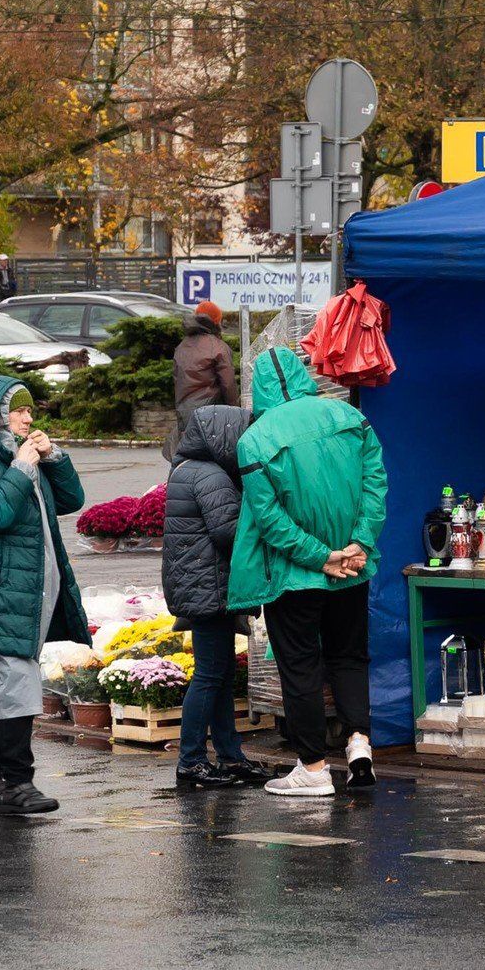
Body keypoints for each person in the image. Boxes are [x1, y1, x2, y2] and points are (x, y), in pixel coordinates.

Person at [228, 346, 387, 797]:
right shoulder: (350, 418)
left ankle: (314, 769)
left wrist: (320, 557)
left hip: (295, 576)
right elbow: (375, 484)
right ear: (304, 375)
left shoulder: (254, 441)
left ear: (257, 388)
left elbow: (269, 518)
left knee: (300, 668)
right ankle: (359, 743)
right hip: (354, 568)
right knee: (349, 656)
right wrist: (358, 543)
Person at [0, 376, 91, 815]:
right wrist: (23, 468)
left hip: (22, 592)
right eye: (19, 411)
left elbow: (71, 499)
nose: (29, 418)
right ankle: (15, 782)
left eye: (29, 411)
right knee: (15, 684)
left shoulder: (22, 458)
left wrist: (54, 458)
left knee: (2, 688)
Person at [162, 404, 272, 789]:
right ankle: (191, 760)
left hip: (201, 585)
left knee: (220, 675)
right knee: (210, 676)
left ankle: (230, 756)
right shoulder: (209, 475)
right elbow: (229, 531)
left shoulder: (187, 470)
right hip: (208, 587)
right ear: (224, 437)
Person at [168, 300, 237, 461]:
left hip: (185, 416)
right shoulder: (218, 347)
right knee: (213, 464)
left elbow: (177, 382)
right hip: (211, 416)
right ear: (216, 321)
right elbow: (229, 386)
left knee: (188, 462)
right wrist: (236, 415)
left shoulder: (182, 346)